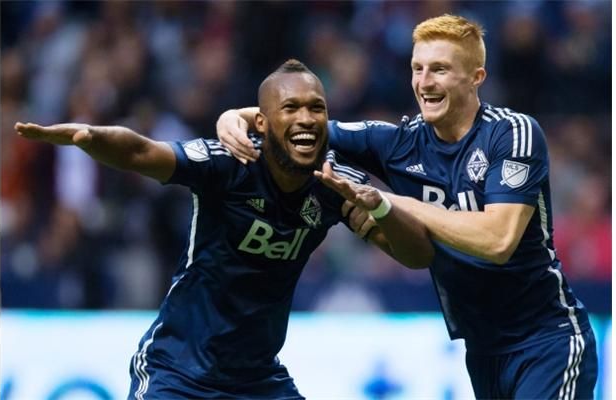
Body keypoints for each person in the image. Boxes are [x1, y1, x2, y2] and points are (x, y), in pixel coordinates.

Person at [215, 15, 598, 400]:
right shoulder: (400, 142)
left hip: (548, 340)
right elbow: (304, 123)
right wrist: (237, 116)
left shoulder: (512, 133)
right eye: (418, 69)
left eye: (440, 70)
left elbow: (497, 240)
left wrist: (393, 202)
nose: (425, 82)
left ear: (476, 77)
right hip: (483, 350)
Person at [15, 59, 433, 399]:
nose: (306, 118)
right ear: (263, 123)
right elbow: (143, 151)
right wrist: (90, 137)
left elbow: (417, 257)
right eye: (291, 108)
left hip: (258, 380)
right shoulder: (229, 163)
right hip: (178, 371)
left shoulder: (333, 184)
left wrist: (383, 211)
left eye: (316, 107)